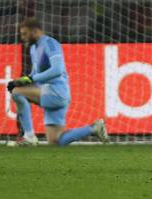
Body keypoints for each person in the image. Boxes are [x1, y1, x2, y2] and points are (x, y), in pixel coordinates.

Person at [6, 18, 109, 146]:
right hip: (50, 94)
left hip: (56, 92)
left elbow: (57, 69)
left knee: (17, 93)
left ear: (35, 31)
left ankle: (29, 137)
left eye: (25, 34)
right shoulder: (33, 48)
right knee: (55, 141)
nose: (22, 38)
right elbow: (34, 74)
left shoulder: (50, 43)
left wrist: (31, 80)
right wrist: (21, 81)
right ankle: (93, 128)